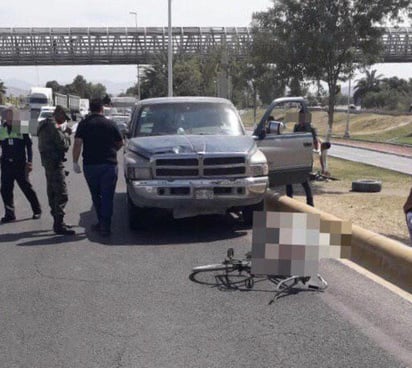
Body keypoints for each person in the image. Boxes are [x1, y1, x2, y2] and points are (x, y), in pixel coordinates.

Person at [72, 98, 123, 236]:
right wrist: (112, 152)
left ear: (90, 109)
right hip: (109, 165)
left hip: (90, 166)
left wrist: (75, 162)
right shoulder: (110, 124)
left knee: (96, 195)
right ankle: (105, 225)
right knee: (107, 196)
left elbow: (77, 143)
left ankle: (101, 221)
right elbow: (120, 142)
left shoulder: (83, 124)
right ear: (102, 109)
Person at [37, 105, 75, 235]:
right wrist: (67, 134)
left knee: (52, 192)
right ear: (58, 113)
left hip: (48, 163)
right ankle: (59, 224)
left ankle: (57, 221)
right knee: (61, 193)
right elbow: (63, 144)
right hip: (54, 163)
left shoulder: (44, 124)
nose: (64, 120)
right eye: (64, 117)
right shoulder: (53, 126)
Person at [0, 107, 41, 223]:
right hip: (6, 164)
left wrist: (30, 161)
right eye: (7, 115)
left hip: (20, 164)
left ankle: (37, 210)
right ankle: (9, 214)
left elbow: (29, 146)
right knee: (5, 189)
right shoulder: (2, 128)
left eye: (11, 115)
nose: (9, 117)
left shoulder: (21, 127)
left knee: (26, 188)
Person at [285, 108, 319, 207]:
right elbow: (293, 140)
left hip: (305, 157)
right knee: (289, 178)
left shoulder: (311, 128)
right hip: (296, 155)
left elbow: (315, 144)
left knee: (304, 179)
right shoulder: (296, 127)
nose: (302, 119)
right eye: (300, 117)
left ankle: (310, 202)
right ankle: (289, 199)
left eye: (304, 117)